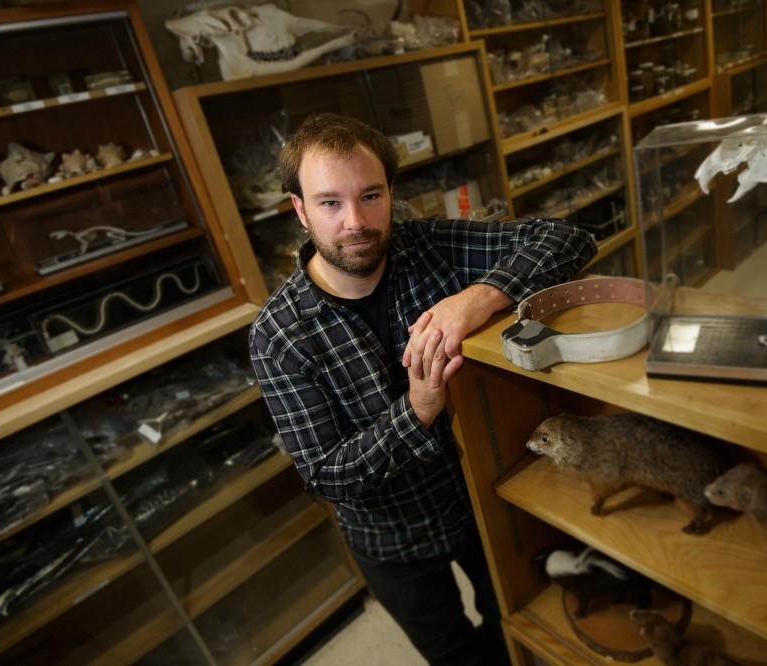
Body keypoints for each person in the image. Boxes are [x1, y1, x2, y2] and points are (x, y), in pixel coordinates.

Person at [248, 112, 596, 666]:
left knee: (520, 622)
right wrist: (416, 412)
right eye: (330, 203)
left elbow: (568, 239)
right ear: (300, 209)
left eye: (370, 195)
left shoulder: (426, 245)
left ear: (391, 192)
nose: (355, 222)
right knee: (453, 654)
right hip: (392, 541)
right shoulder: (279, 333)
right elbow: (324, 474)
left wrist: (480, 296)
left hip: (478, 499)